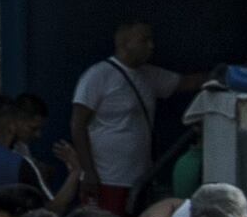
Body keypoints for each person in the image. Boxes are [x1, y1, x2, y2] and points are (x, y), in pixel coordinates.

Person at [67, 20, 188, 205]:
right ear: (125, 43)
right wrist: (88, 171)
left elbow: (186, 83)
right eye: (144, 40)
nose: (151, 46)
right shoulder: (98, 75)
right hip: (106, 178)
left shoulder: (150, 75)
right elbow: (78, 124)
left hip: (140, 179)